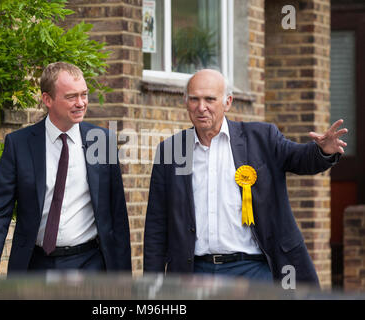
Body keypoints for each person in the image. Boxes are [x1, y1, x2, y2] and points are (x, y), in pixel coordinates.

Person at [143, 69, 347, 287]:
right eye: (194, 99)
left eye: (210, 99)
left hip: (252, 270)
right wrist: (152, 284)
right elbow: (157, 224)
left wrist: (323, 152)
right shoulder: (171, 151)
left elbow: (299, 158)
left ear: (227, 102)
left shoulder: (261, 138)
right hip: (194, 273)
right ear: (185, 102)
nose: (201, 107)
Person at [0, 62, 131, 281]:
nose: (81, 103)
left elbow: (118, 217)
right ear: (47, 99)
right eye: (71, 97)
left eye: (84, 95)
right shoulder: (19, 145)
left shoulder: (102, 142)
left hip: (91, 265)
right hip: (34, 266)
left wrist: (124, 282)